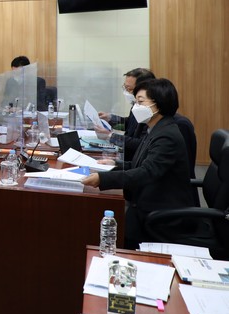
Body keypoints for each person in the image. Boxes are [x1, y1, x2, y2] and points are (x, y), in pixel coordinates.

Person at [82, 78, 195, 249]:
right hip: (149, 199)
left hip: (161, 212)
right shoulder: (155, 129)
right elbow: (141, 164)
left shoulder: (167, 136)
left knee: (117, 231)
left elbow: (146, 173)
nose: (135, 107)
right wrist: (114, 164)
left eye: (140, 102)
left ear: (158, 104)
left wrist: (102, 179)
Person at [97, 68, 156, 160]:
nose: (126, 92)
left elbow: (141, 144)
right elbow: (130, 124)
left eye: (129, 89)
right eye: (125, 87)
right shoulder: (136, 105)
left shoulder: (150, 112)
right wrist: (110, 119)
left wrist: (111, 136)